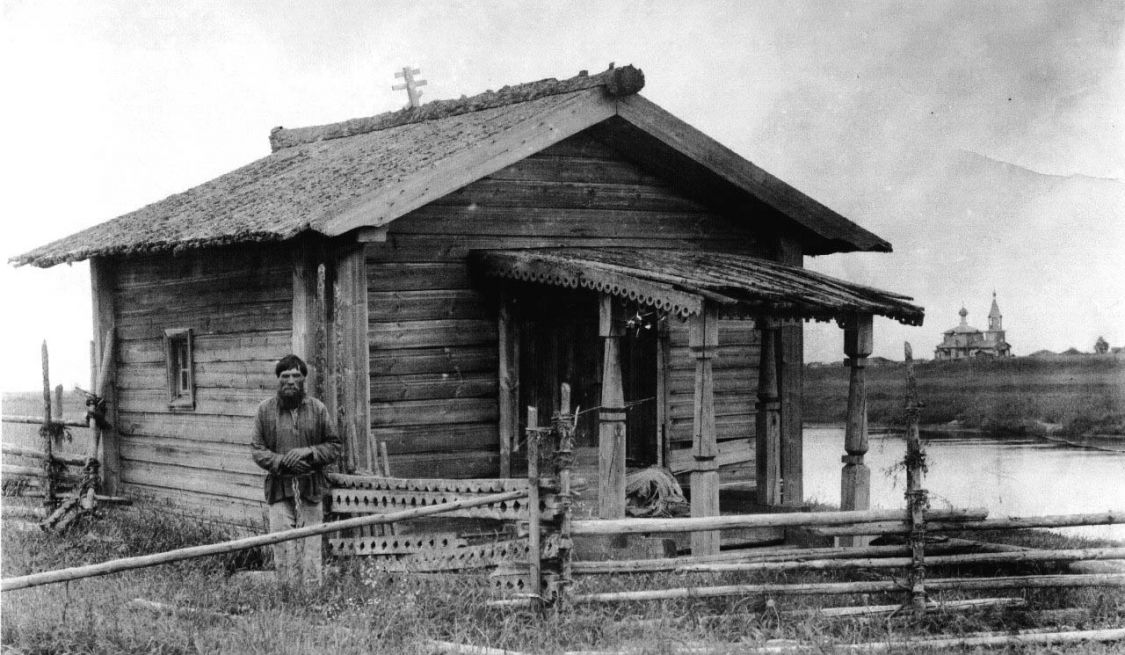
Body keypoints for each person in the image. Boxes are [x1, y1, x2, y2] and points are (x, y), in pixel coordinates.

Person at [251, 354, 341, 584]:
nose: (290, 381)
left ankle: (311, 598)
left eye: (296, 376)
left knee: (311, 548)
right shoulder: (265, 411)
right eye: (285, 376)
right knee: (283, 547)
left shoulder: (318, 409)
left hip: (310, 488)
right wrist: (282, 462)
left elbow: (333, 446)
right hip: (279, 489)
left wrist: (308, 452)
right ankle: (287, 597)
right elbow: (258, 450)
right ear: (278, 379)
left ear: (303, 380)